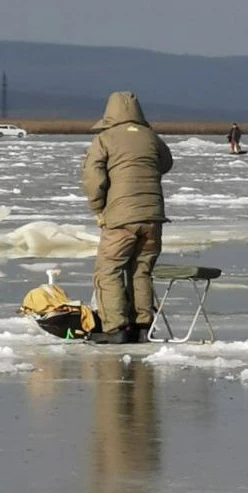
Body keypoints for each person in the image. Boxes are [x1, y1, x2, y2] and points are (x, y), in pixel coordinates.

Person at [81, 91, 173, 344]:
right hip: (153, 218)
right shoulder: (151, 137)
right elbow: (166, 164)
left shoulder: (105, 138)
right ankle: (143, 325)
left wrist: (98, 208)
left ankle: (115, 328)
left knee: (108, 270)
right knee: (141, 270)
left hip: (121, 217)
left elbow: (93, 178)